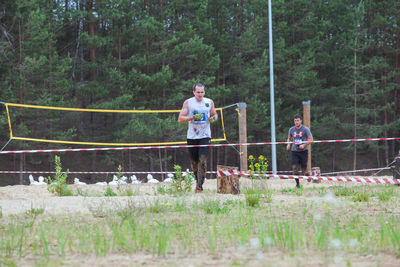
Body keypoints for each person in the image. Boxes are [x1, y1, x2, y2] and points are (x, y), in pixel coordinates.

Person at [178, 83, 218, 193]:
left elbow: (215, 114)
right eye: (198, 92)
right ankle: (197, 180)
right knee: (194, 163)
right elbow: (180, 119)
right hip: (192, 136)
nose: (200, 94)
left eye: (202, 92)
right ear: (194, 92)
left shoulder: (209, 102)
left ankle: (200, 186)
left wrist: (212, 119)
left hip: (205, 135)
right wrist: (192, 117)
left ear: (204, 92)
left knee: (202, 160)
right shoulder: (188, 103)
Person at [286, 114, 313, 188]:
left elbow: (311, 140)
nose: (296, 122)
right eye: (295, 121)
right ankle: (297, 184)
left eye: (298, 120)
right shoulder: (291, 129)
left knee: (304, 170)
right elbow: (289, 138)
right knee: (295, 168)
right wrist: (288, 144)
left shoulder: (305, 129)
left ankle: (308, 175)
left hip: (303, 151)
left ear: (301, 121)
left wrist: (304, 145)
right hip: (294, 151)